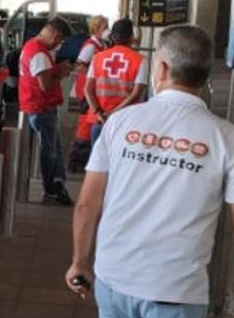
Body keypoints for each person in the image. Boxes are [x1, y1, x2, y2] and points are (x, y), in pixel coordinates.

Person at [65, 25, 234, 318]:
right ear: (206, 75)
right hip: (175, 290)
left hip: (115, 277)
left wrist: (80, 262)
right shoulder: (227, 138)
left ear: (160, 69)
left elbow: (87, 206)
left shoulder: (120, 124)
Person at [18, 16, 74, 205]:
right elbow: (45, 84)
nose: (59, 44)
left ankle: (56, 183)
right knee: (49, 150)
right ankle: (52, 188)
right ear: (54, 34)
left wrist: (57, 68)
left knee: (53, 147)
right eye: (60, 40)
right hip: (41, 107)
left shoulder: (31, 46)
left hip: (36, 105)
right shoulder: (39, 53)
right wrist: (62, 73)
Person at [84, 19, 147, 145]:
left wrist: (99, 113)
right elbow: (136, 94)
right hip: (125, 121)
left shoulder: (98, 58)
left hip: (99, 120)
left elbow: (88, 89)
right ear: (132, 37)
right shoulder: (140, 60)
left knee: (97, 162)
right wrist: (113, 113)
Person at [67, 15, 109, 173]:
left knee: (88, 124)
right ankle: (75, 161)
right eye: (105, 27)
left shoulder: (100, 45)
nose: (107, 30)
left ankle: (82, 160)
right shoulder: (91, 46)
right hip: (86, 91)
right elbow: (79, 65)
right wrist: (94, 75)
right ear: (97, 29)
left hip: (91, 90)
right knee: (85, 126)